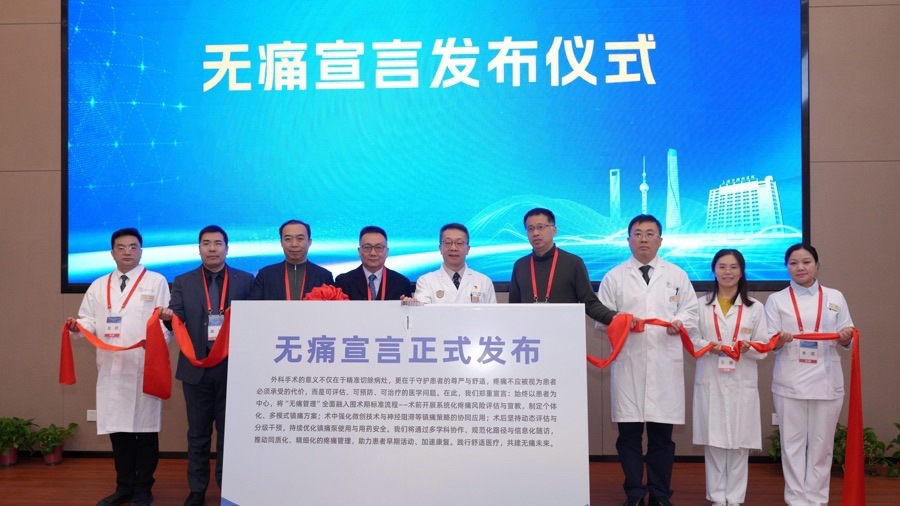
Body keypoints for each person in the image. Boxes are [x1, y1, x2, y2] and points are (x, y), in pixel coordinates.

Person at [596, 214, 699, 506]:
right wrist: (622, 321)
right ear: (628, 239)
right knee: (628, 437)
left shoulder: (677, 275)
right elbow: (601, 318)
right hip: (628, 365)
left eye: (650, 233)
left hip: (665, 366)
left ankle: (660, 494)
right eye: (638, 234)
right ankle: (634, 492)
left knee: (662, 438)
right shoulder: (614, 277)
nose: (644, 239)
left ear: (660, 240)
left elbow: (692, 311)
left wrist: (679, 322)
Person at [65, 228, 171, 506]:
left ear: (141, 251)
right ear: (112, 252)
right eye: (121, 247)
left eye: (133, 247)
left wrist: (157, 342)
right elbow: (89, 320)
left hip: (143, 366)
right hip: (111, 369)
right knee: (119, 434)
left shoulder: (156, 281)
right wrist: (77, 327)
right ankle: (124, 487)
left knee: (145, 432)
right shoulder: (99, 285)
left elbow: (165, 322)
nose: (127, 252)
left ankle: (143, 489)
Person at [160, 226, 254, 506]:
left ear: (227, 248)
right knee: (198, 434)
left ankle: (228, 487)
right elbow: (176, 320)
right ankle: (197, 489)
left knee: (230, 433)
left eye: (218, 243)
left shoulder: (246, 280)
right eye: (206, 243)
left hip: (232, 369)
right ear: (199, 248)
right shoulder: (183, 281)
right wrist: (167, 318)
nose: (212, 249)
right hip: (196, 368)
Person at [764, 244, 854, 506]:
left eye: (806, 262)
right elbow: (770, 340)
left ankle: (816, 499)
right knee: (791, 443)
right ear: (787, 267)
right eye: (793, 263)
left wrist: (846, 337)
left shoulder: (835, 297)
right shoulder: (777, 299)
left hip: (826, 378)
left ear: (817, 265)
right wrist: (779, 339)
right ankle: (795, 498)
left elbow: (847, 334)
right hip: (790, 379)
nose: (800, 268)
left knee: (821, 444)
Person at [689, 249, 769, 506]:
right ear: (714, 270)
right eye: (722, 266)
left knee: (740, 442)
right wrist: (707, 345)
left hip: (741, 379)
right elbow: (691, 338)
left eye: (733, 267)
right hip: (710, 376)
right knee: (713, 441)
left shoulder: (755, 307)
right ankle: (716, 497)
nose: (727, 272)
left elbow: (764, 346)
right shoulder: (700, 305)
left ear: (741, 271)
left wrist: (748, 347)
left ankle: (734, 499)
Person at [508, 207, 617, 325]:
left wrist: (615, 317)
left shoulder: (573, 263)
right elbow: (513, 308)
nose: (535, 233)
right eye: (530, 229)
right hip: (529, 333)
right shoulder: (520, 265)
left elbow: (590, 303)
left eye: (540, 227)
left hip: (565, 332)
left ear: (554, 230)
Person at [249, 219, 334, 300]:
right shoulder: (265, 275)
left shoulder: (324, 276)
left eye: (300, 238)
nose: (294, 244)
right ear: (281, 243)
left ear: (309, 242)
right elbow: (253, 307)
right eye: (288, 239)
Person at [412, 223, 496, 304]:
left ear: (468, 249)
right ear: (440, 248)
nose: (453, 248)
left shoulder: (484, 281)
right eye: (448, 243)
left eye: (459, 243)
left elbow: (493, 313)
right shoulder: (426, 281)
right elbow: (422, 313)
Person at [334, 225, 412, 300]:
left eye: (379, 247)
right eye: (367, 247)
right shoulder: (343, 282)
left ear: (387, 252)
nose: (373, 253)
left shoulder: (402, 283)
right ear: (359, 251)